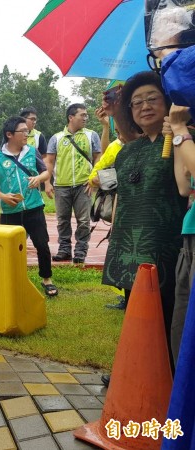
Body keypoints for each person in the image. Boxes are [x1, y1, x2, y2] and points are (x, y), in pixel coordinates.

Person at [101, 71, 188, 385]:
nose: (144, 106)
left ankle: (165, 378)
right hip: (129, 243)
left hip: (166, 243)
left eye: (152, 98)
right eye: (136, 102)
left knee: (165, 313)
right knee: (133, 311)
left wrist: (178, 133)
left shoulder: (180, 139)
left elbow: (183, 187)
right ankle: (132, 369)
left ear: (168, 102)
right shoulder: (128, 151)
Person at [0, 116, 57, 297]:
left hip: (34, 207)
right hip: (10, 210)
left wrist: (38, 179)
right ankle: (11, 280)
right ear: (9, 134)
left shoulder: (32, 152)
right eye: (23, 131)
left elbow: (46, 172)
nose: (27, 134)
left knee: (42, 244)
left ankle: (47, 279)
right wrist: (3, 197)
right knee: (10, 249)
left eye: (27, 131)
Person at [45, 103, 102, 264]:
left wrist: (93, 177)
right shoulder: (57, 138)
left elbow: (98, 157)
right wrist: (47, 183)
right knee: (62, 219)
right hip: (61, 185)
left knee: (83, 220)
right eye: (82, 115)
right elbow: (49, 161)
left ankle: (81, 251)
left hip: (84, 185)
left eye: (86, 115)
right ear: (71, 117)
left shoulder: (92, 135)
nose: (86, 118)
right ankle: (64, 250)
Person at [163, 104, 195, 367]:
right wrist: (176, 138)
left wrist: (179, 129)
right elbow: (185, 186)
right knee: (182, 328)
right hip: (190, 237)